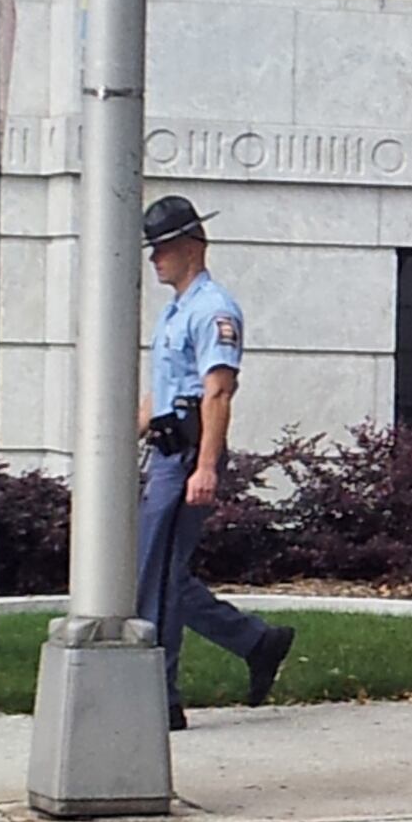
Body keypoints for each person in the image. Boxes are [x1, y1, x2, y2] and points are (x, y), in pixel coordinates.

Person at [137, 196, 296, 731]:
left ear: (190, 246)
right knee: (161, 573)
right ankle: (255, 640)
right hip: (165, 451)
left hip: (185, 454)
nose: (154, 258)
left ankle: (160, 698)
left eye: (161, 247)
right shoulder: (178, 309)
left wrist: (205, 467)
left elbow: (218, 394)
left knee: (155, 578)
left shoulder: (212, 311)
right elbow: (161, 393)